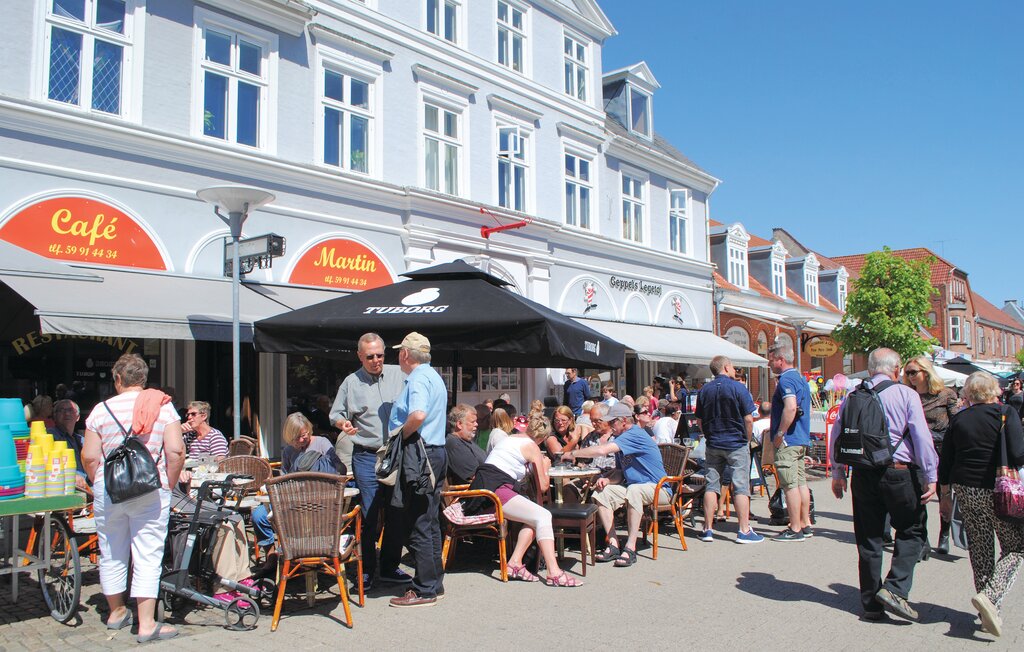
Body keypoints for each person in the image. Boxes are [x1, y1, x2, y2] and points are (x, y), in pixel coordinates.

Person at [81, 353, 185, 643]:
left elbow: (89, 456)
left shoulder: (100, 411)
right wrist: (169, 482)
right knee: (148, 552)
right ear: (143, 379)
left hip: (108, 488)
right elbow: (176, 451)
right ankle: (147, 623)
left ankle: (115, 612)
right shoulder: (163, 407)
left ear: (117, 379)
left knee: (111, 549)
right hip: (151, 488)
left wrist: (98, 480)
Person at [829, 348, 938, 622]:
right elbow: (922, 438)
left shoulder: (853, 397)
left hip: (863, 474)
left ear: (869, 370)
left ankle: (871, 606)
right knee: (912, 530)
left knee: (869, 538)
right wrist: (931, 475)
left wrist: (838, 472)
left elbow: (838, 435)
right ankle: (895, 589)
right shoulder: (906, 394)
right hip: (899, 473)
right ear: (897, 368)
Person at [938, 372, 1024, 637]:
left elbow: (946, 458)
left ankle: (988, 608)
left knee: (980, 546)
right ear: (995, 391)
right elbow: (1019, 454)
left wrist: (944, 494)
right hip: (998, 488)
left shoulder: (960, 418)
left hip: (965, 487)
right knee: (1016, 547)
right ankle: (991, 595)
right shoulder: (1005, 413)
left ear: (968, 394)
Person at [330, 332, 408, 588]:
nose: (376, 360)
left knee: (397, 511)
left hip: (395, 452)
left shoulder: (399, 373)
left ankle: (389, 566)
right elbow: (336, 414)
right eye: (370, 356)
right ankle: (366, 569)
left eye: (380, 355)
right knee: (369, 513)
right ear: (360, 356)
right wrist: (344, 423)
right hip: (365, 454)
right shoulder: (351, 382)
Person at [467, 416, 582, 586]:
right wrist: (546, 467)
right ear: (542, 438)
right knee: (543, 516)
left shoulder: (510, 439)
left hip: (484, 488)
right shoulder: (532, 447)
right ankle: (554, 572)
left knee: (534, 518)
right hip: (496, 490)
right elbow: (543, 486)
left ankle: (514, 563)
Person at [563, 402, 668, 567]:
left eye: (613, 422)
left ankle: (630, 547)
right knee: (602, 492)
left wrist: (572, 453)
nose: (610, 425)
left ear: (624, 421)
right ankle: (613, 543)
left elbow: (601, 450)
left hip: (658, 488)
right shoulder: (621, 438)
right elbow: (620, 472)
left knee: (634, 490)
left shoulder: (634, 434)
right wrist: (608, 480)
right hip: (634, 486)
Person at [387, 332, 448, 608]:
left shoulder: (418, 379)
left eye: (400, 352)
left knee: (420, 522)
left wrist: (400, 434)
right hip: (435, 452)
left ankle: (424, 590)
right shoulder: (433, 376)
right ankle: (434, 582)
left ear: (405, 354)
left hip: (421, 454)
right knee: (430, 520)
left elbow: (419, 414)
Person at [694, 355, 763, 544]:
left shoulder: (704, 391)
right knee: (740, 486)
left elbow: (699, 420)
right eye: (732, 366)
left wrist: (707, 435)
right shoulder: (738, 388)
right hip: (736, 442)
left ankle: (707, 529)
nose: (734, 370)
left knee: (711, 485)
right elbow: (748, 419)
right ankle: (744, 530)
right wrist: (747, 440)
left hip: (714, 442)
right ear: (725, 367)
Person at [252, 412, 345, 550]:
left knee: (297, 521)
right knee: (258, 515)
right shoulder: (289, 451)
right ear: (290, 437)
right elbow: (283, 478)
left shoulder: (322, 443)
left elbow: (339, 469)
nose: (303, 439)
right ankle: (271, 553)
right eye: (298, 437)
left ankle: (292, 550)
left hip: (318, 501)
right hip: (291, 500)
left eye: (305, 434)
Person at [902, 355, 959, 555]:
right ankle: (922, 538)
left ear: (926, 372)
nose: (910, 376)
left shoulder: (945, 394)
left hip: (943, 449)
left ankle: (944, 533)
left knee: (944, 493)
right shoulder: (908, 394)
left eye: (913, 372)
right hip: (917, 451)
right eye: (907, 373)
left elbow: (956, 423)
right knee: (919, 494)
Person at [767, 343, 813, 542]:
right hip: (801, 438)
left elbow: (791, 407)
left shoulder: (786, 379)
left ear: (780, 359)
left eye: (771, 359)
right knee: (801, 482)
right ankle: (805, 523)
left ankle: (795, 528)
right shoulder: (800, 378)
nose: (769, 363)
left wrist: (780, 433)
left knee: (789, 485)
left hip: (789, 440)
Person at [49, 399, 89, 491]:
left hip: (85, 487)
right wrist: (71, 475)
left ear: (78, 417)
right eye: (61, 410)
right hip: (63, 487)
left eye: (70, 410)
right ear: (54, 416)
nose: (66, 414)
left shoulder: (81, 440)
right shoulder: (50, 436)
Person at [445, 404, 485, 485]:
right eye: (473, 422)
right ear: (459, 424)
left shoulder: (466, 440)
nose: (476, 424)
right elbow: (475, 477)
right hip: (478, 494)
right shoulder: (454, 443)